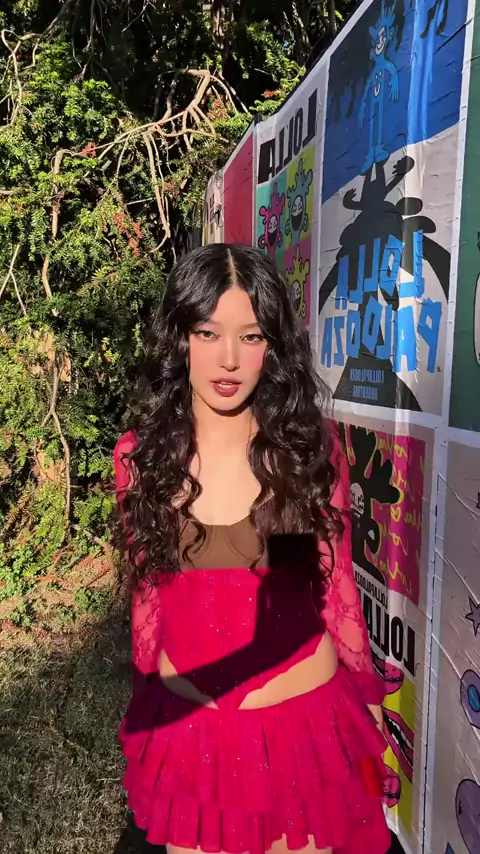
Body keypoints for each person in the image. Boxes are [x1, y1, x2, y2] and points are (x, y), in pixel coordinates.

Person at [114, 244, 390, 854]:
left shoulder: (303, 450)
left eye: (251, 336)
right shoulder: (142, 459)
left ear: (273, 345)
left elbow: (331, 585)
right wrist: (144, 706)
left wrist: (366, 695)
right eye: (208, 333)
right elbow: (148, 599)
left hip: (305, 734)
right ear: (179, 337)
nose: (229, 359)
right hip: (194, 741)